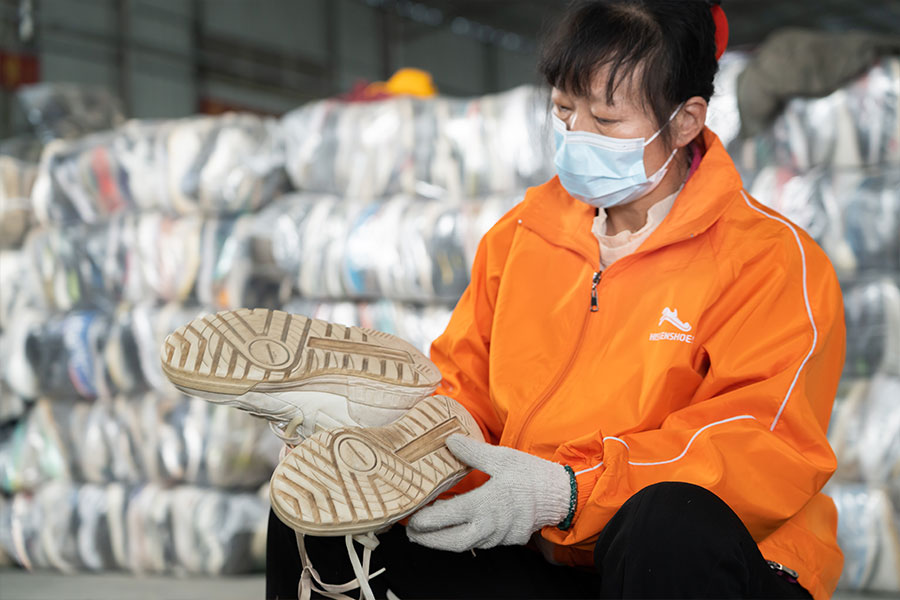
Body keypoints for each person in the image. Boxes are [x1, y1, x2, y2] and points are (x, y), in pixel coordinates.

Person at [262, 0, 845, 597]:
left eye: (608, 120)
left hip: (701, 561)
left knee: (668, 522)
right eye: (566, 110)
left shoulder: (768, 260)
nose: (578, 136)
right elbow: (464, 392)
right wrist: (378, 435)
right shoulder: (522, 237)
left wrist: (569, 490)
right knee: (312, 515)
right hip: (543, 545)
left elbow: (760, 447)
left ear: (686, 120)